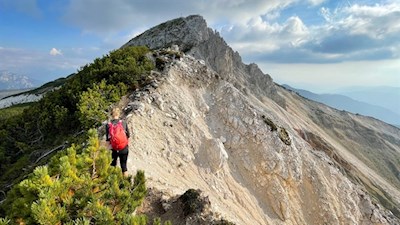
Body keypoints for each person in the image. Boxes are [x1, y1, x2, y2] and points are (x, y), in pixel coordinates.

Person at [106, 107, 130, 177]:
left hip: (114, 149)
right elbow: (128, 135)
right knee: (124, 167)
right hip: (123, 148)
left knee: (113, 166)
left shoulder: (108, 125)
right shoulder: (123, 123)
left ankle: (113, 184)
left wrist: (108, 150)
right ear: (119, 114)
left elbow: (108, 140)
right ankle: (126, 184)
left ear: (111, 115)